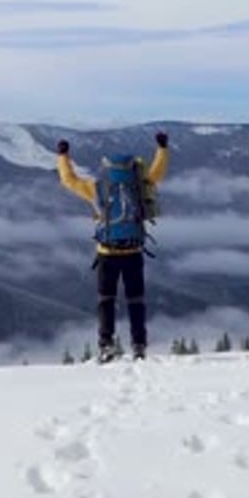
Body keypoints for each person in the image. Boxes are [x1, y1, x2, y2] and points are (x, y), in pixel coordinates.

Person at [56, 132, 169, 362]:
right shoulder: (139, 185)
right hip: (133, 253)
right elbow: (157, 172)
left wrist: (63, 155)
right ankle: (139, 345)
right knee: (135, 301)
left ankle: (106, 344)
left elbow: (68, 179)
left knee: (105, 300)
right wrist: (162, 148)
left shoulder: (96, 187)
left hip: (107, 254)